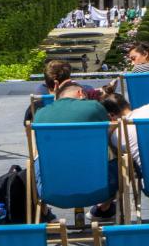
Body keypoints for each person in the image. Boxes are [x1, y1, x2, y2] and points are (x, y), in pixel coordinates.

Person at [33, 81, 117, 220]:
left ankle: (44, 213)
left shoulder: (40, 114)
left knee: (36, 159)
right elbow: (108, 135)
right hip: (98, 189)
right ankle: (103, 208)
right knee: (122, 161)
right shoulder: (94, 107)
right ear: (80, 93)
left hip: (51, 192)